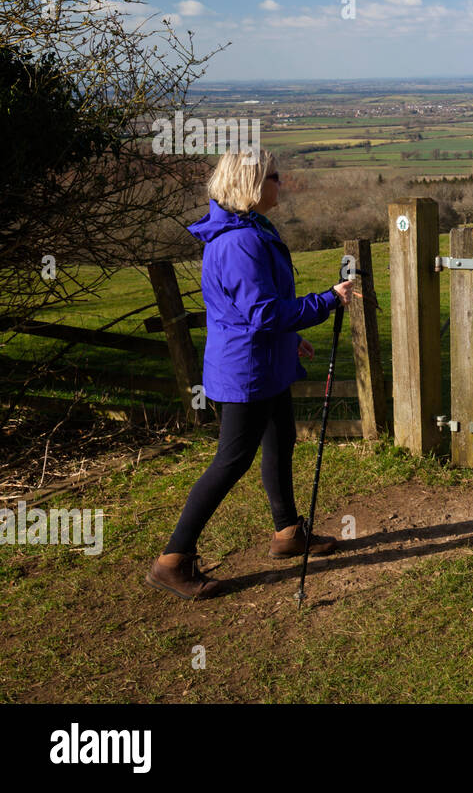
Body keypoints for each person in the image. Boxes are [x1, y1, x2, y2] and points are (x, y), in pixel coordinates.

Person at [145, 149, 359, 600]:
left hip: (264, 360)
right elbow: (262, 313)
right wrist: (325, 301)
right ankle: (172, 560)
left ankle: (288, 534)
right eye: (274, 177)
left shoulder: (251, 227)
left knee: (281, 439)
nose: (281, 183)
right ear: (251, 187)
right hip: (246, 372)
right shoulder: (239, 242)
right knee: (231, 460)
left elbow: (256, 311)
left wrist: (289, 338)